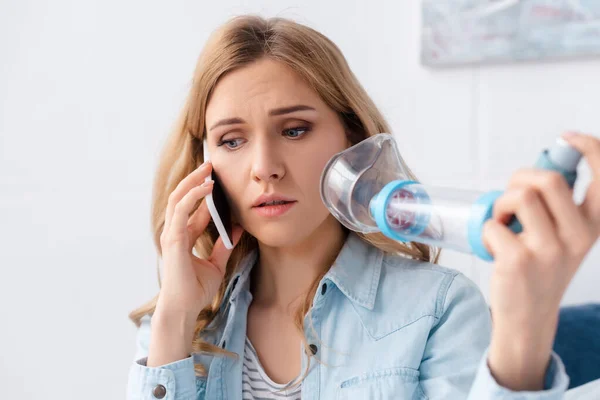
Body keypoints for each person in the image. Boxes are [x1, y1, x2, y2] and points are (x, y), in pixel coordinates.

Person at [126, 15, 600, 400]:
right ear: (204, 167)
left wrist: (526, 324)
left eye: (294, 130)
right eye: (232, 140)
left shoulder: (438, 309)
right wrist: (174, 318)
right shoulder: (177, 322)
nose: (263, 167)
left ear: (352, 140)